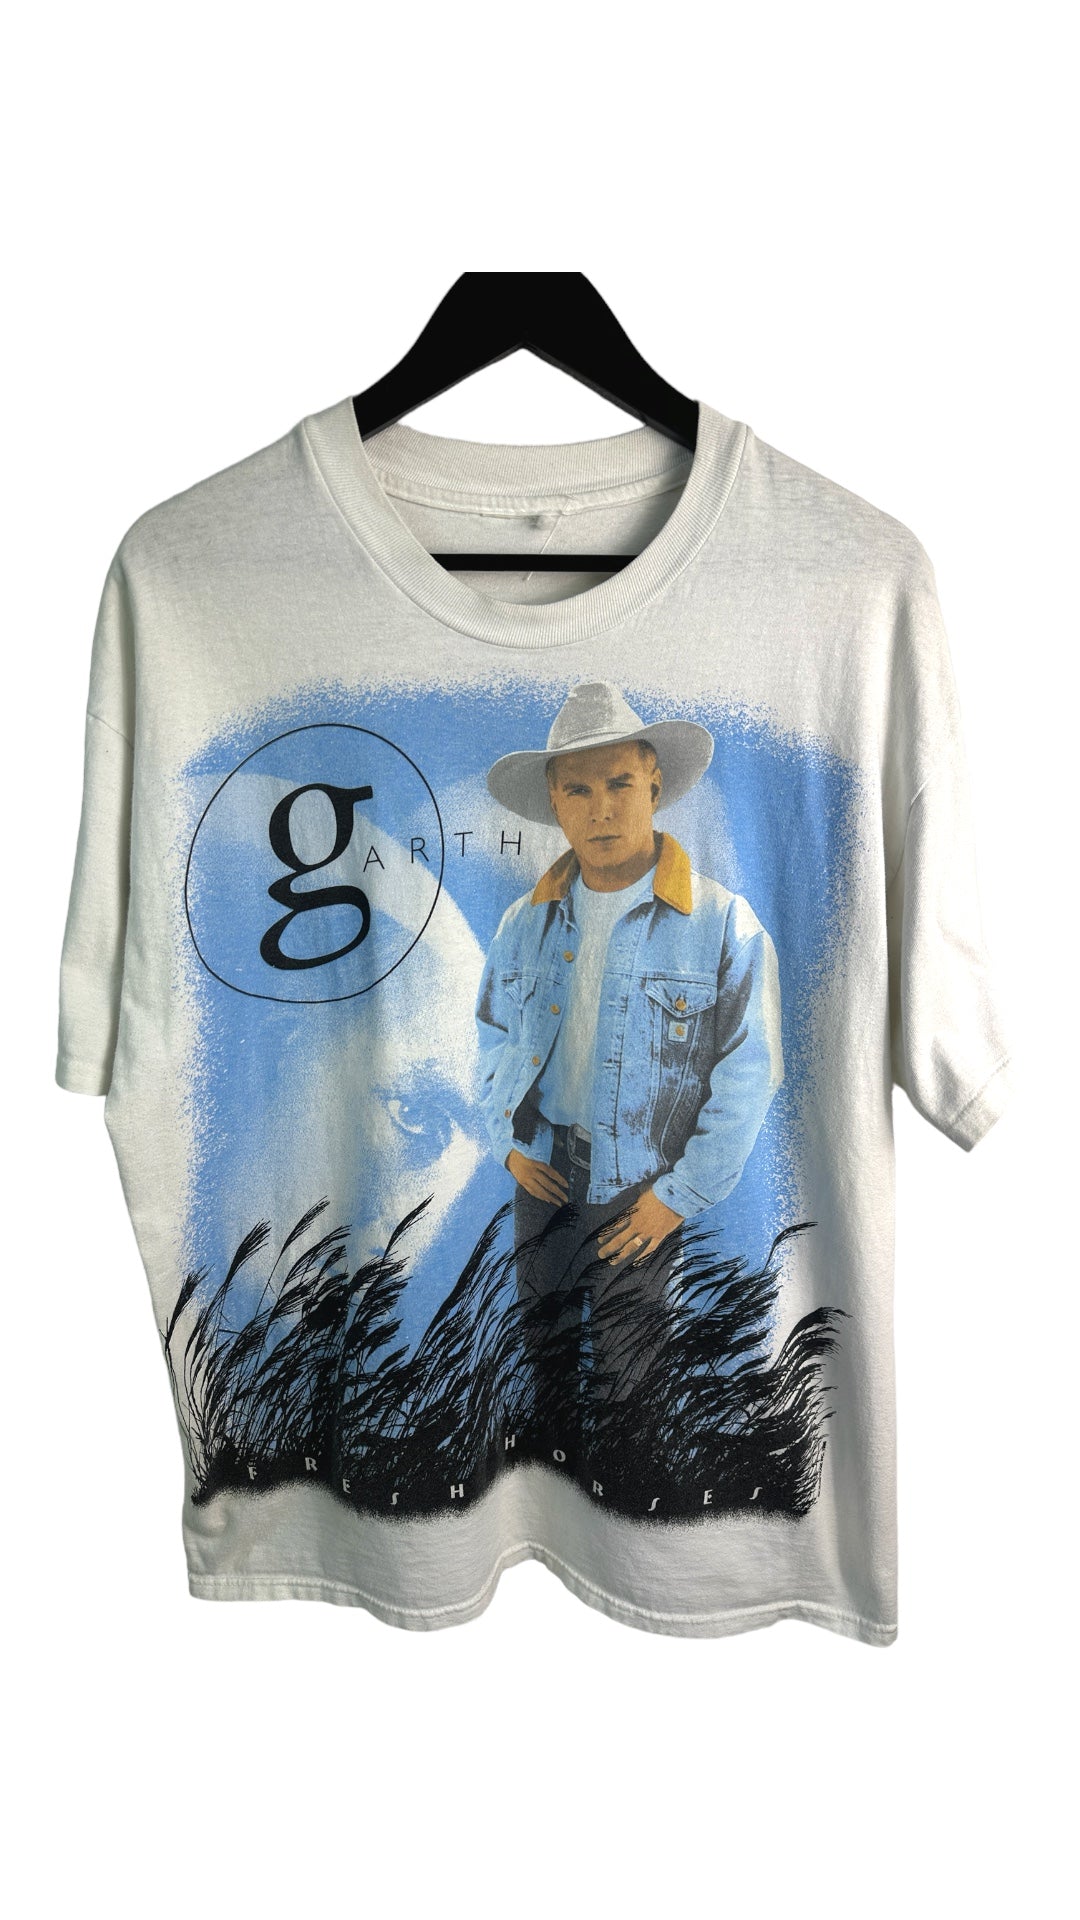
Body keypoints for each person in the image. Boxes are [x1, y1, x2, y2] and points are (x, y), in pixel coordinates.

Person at [475, 679, 785, 1421]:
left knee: (631, 1379)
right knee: (542, 1358)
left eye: (619, 783)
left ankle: (630, 1485)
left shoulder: (722, 922)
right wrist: (508, 1146)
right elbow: (491, 1035)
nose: (602, 809)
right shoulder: (524, 921)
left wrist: (678, 1197)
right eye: (578, 790)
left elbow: (750, 1071)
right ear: (555, 804)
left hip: (641, 1184)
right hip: (543, 1171)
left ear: (654, 785)